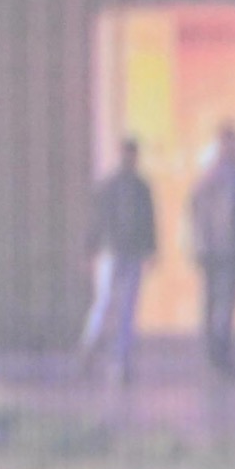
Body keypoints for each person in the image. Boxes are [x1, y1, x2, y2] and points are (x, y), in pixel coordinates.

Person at [80, 138, 158, 385]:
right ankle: (95, 347)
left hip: (123, 251)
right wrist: (90, 248)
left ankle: (116, 358)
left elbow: (149, 221)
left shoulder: (136, 188)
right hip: (114, 251)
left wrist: (151, 249)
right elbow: (97, 219)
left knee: (122, 308)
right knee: (111, 304)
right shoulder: (117, 187)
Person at [193, 122, 235, 377]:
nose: (234, 148)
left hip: (228, 248)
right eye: (230, 143)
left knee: (223, 302)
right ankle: (217, 353)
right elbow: (199, 213)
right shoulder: (216, 176)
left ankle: (220, 352)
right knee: (218, 302)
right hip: (217, 249)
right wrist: (201, 243)